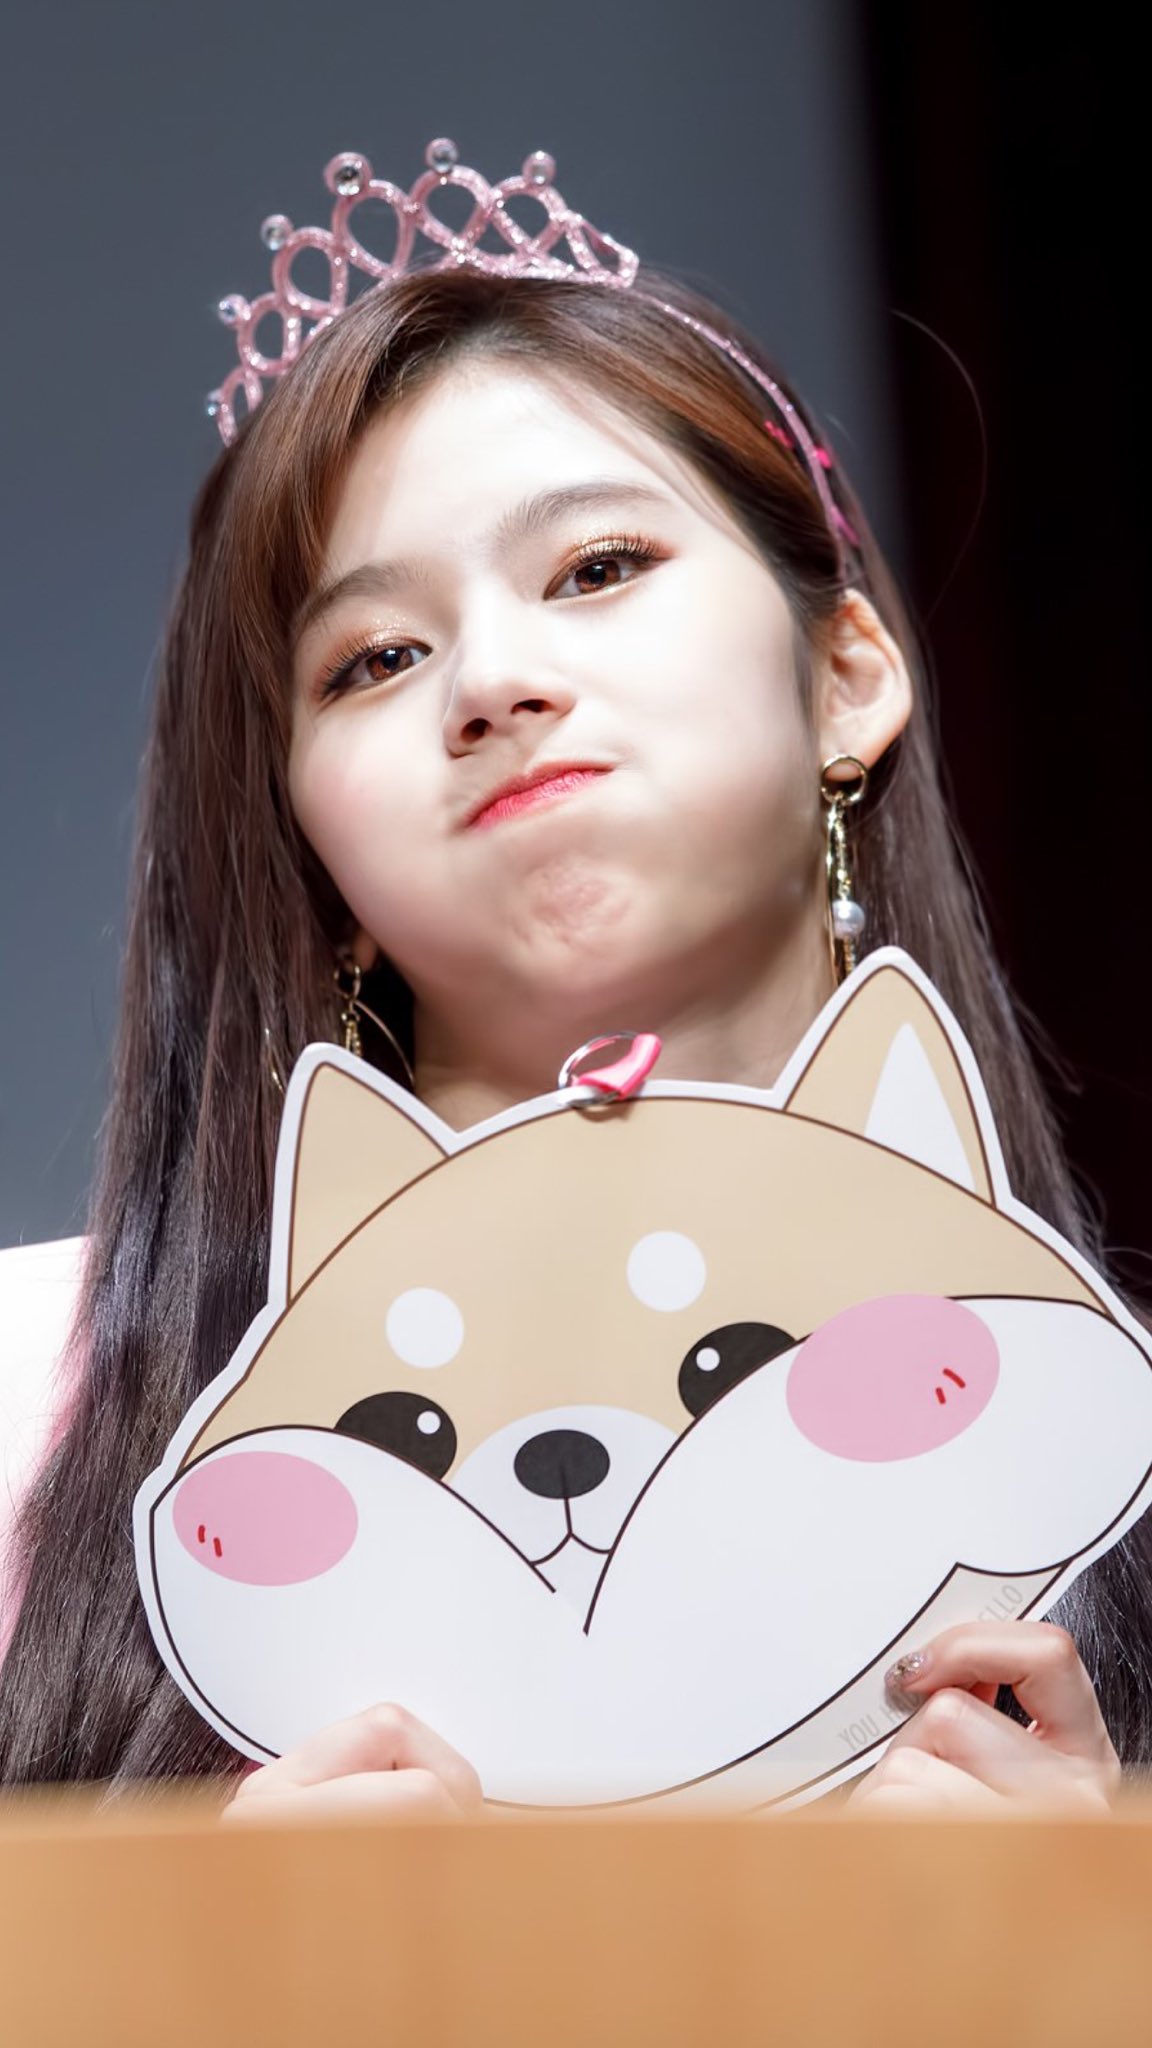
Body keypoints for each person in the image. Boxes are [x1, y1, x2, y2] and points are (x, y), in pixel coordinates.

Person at [0, 141, 1144, 1819]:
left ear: (845, 676)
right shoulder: (32, 1395)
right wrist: (173, 1946)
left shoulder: (1083, 1416)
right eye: (375, 658)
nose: (493, 680)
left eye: (598, 569)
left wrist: (1093, 1926)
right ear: (310, 848)